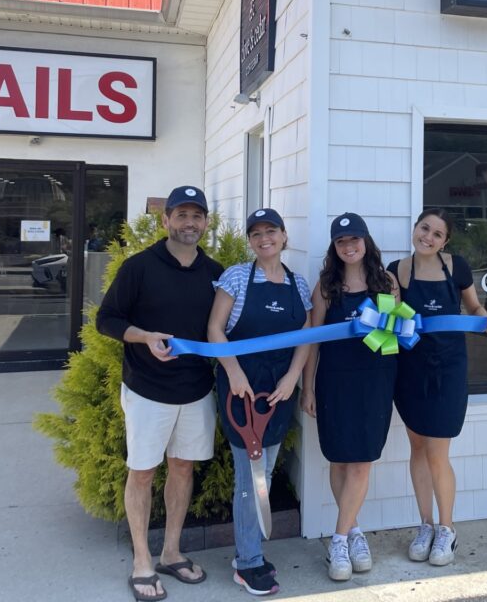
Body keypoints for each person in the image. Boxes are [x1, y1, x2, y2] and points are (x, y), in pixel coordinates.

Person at [97, 186, 223, 602]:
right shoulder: (139, 267)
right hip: (148, 389)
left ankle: (171, 551)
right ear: (166, 220)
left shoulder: (216, 273)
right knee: (144, 472)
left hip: (196, 390)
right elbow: (107, 320)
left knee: (183, 469)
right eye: (181, 215)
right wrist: (144, 337)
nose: (189, 223)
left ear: (206, 222)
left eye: (197, 216)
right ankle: (141, 561)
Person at [207, 208, 313, 597]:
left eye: (271, 231)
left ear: (284, 237)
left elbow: (305, 335)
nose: (264, 238)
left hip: (279, 390)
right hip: (242, 391)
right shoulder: (236, 277)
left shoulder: (298, 285)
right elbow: (214, 329)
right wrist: (234, 373)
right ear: (250, 241)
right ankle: (248, 562)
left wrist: (292, 378)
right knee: (250, 479)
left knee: (264, 473)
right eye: (256, 233)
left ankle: (248, 553)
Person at [387, 208, 487, 567]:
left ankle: (447, 529)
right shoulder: (397, 271)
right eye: (425, 229)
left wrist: (486, 321)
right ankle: (425, 525)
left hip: (448, 369)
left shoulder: (458, 267)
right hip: (411, 370)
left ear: (445, 242)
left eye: (437, 234)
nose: (429, 238)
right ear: (414, 228)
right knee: (417, 447)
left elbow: (474, 306)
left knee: (438, 452)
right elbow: (393, 320)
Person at [301, 213, 398, 582]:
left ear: (366, 241)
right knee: (340, 460)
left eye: (355, 238)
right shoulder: (325, 286)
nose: (350, 246)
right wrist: (308, 388)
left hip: (375, 380)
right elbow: (312, 343)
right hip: (334, 381)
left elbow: (393, 338)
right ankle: (354, 530)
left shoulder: (386, 281)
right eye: (342, 241)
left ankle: (339, 539)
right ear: (335, 247)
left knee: (361, 461)